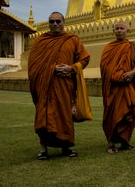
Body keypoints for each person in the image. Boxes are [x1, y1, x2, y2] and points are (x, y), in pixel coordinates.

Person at [28, 12, 90, 160]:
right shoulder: (40, 41)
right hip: (45, 86)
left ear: (64, 22)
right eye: (52, 21)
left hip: (64, 86)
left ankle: (66, 147)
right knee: (43, 117)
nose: (55, 24)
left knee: (64, 116)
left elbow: (85, 59)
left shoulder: (72, 40)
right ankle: (43, 149)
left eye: (58, 21)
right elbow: (33, 67)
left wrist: (71, 68)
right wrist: (51, 69)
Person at [100, 20, 135, 154]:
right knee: (112, 114)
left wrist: (133, 72)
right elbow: (105, 68)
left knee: (129, 114)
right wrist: (118, 76)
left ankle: (125, 141)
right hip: (113, 88)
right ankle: (111, 142)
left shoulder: (133, 46)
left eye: (122, 28)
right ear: (113, 31)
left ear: (127, 31)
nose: (119, 30)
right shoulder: (108, 48)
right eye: (117, 28)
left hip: (128, 86)